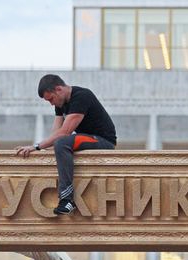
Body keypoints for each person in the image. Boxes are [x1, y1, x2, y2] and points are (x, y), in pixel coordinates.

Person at [15, 74, 116, 215]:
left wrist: (35, 146)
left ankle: (67, 200)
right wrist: (40, 149)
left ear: (59, 89)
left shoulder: (82, 96)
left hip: (103, 141)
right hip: (85, 138)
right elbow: (55, 133)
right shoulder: (60, 103)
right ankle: (66, 197)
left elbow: (64, 133)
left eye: (51, 99)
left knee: (62, 142)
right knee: (59, 144)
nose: (51, 104)